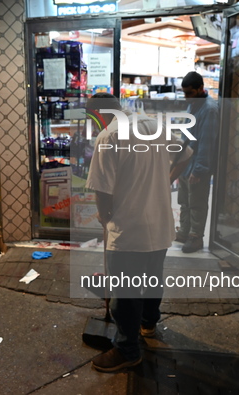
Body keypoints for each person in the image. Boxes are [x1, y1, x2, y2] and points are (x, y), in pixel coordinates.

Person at [85, 93, 192, 373]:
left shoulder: (108, 137)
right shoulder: (151, 124)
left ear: (99, 114)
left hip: (129, 230)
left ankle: (127, 349)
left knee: (126, 293)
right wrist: (166, 179)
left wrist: (104, 215)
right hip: (161, 225)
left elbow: (102, 190)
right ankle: (148, 324)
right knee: (153, 278)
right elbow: (185, 153)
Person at [176, 71, 219, 253]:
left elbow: (207, 142)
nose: (186, 97)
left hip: (197, 165)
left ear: (201, 89)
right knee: (184, 201)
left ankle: (195, 236)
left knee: (197, 203)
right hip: (186, 163)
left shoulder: (209, 109)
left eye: (190, 93)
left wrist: (199, 170)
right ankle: (184, 231)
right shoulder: (193, 104)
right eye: (184, 93)